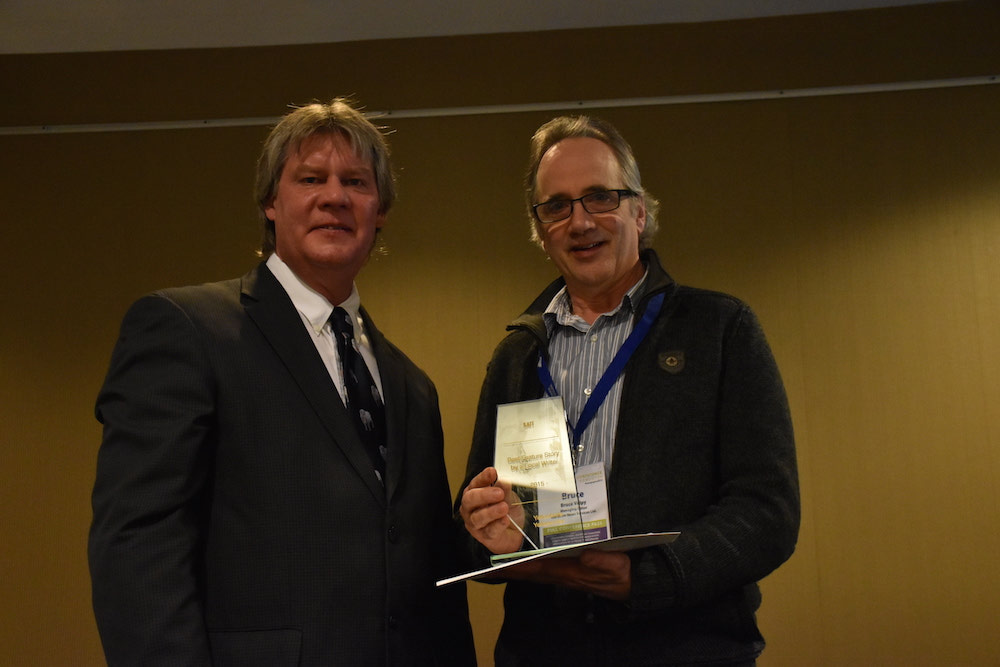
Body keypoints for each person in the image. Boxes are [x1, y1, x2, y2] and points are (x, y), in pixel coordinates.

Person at [89, 98, 476, 666]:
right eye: (311, 178)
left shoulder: (412, 386)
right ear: (271, 202)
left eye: (356, 182)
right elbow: (138, 547)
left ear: (381, 211)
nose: (334, 197)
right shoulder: (186, 330)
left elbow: (427, 573)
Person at [458, 115, 799, 666]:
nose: (579, 221)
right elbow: (482, 519)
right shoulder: (517, 356)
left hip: (686, 651)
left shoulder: (719, 330)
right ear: (540, 230)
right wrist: (488, 527)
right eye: (557, 206)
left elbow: (767, 512)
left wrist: (649, 579)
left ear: (639, 212)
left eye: (600, 197)